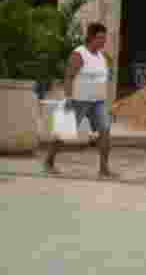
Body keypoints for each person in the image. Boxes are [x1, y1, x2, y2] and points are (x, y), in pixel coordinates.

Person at [44, 22, 118, 179]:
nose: (103, 41)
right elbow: (69, 77)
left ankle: (104, 169)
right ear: (91, 37)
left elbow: (106, 78)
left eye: (105, 38)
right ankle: (49, 161)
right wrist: (68, 97)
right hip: (78, 100)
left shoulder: (102, 56)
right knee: (63, 132)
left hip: (98, 101)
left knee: (105, 130)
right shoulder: (79, 54)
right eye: (100, 38)